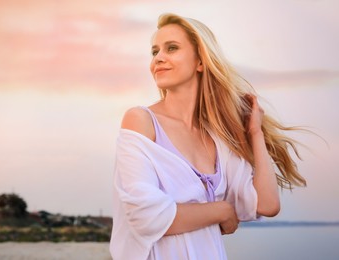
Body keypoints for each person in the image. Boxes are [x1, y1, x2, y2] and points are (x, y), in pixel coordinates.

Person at [110, 13, 306, 260]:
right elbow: (145, 217)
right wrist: (221, 210)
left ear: (200, 61)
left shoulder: (218, 140)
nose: (158, 58)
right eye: (154, 51)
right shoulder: (141, 120)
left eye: (171, 48)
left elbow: (266, 205)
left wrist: (255, 133)